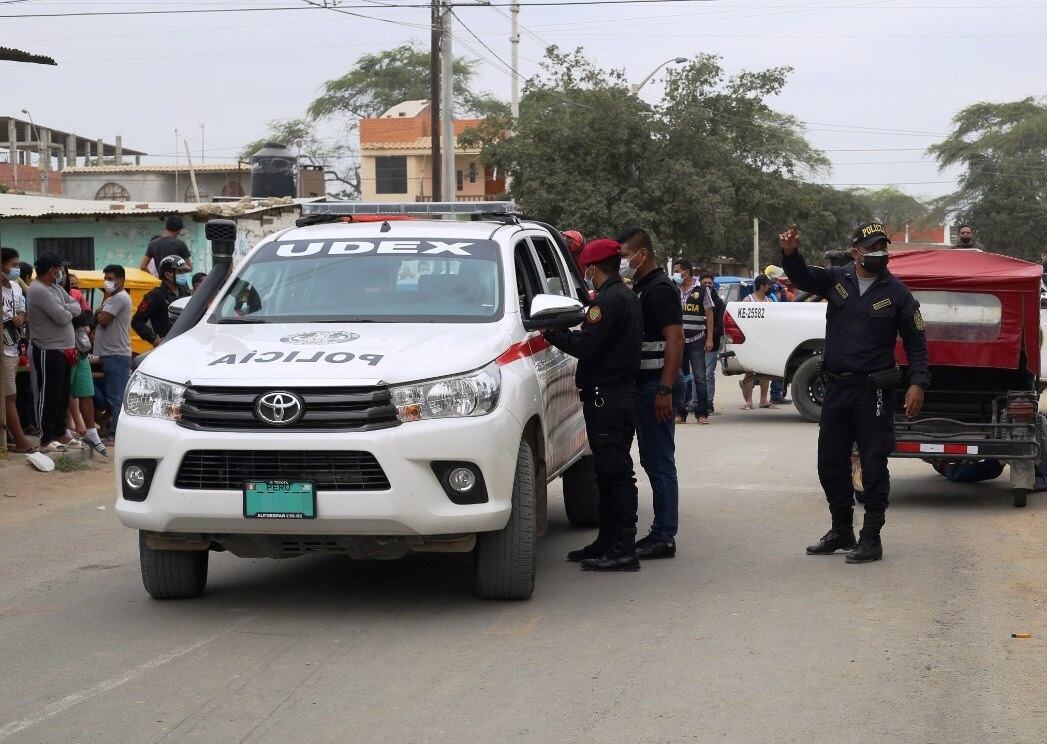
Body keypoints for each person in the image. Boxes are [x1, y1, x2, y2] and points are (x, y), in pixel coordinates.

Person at [781, 222, 929, 563]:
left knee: (873, 464)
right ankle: (841, 529)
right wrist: (790, 253)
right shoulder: (837, 279)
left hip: (873, 392)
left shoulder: (897, 293)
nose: (880, 252)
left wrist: (918, 382)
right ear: (856, 251)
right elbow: (802, 277)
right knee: (830, 462)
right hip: (836, 388)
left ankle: (871, 537)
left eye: (883, 246)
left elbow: (917, 341)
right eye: (873, 246)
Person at [543, 238, 644, 572]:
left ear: (590, 268)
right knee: (607, 472)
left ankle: (623, 548)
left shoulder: (608, 302)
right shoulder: (624, 296)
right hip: (614, 395)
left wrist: (550, 331)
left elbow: (586, 345)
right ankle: (609, 540)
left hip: (609, 397)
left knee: (615, 473)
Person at [618, 226, 686, 559]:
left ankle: (663, 536)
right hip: (644, 384)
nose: (623, 260)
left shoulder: (660, 289)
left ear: (642, 254)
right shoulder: (643, 286)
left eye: (625, 254)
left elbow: (675, 339)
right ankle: (661, 532)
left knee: (660, 463)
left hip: (654, 386)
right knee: (652, 460)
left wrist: (665, 388)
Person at [26, 253, 82, 451]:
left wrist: (67, 309)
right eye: (59, 268)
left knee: (61, 395)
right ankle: (46, 438)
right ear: (51, 269)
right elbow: (61, 317)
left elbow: (77, 307)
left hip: (64, 350)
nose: (61, 272)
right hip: (48, 350)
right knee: (48, 395)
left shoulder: (56, 288)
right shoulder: (39, 290)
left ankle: (60, 432)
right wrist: (68, 310)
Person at [59, 269, 105, 454]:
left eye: (62, 273)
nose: (60, 277)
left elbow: (87, 317)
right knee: (63, 393)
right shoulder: (48, 295)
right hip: (62, 350)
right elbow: (69, 318)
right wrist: (75, 315)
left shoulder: (75, 294)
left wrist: (72, 316)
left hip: (80, 350)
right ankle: (65, 430)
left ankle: (91, 433)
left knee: (85, 392)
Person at [93, 264, 133, 446]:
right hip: (107, 354)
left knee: (115, 398)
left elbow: (102, 319)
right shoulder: (111, 299)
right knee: (103, 395)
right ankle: (109, 428)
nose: (107, 282)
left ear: (121, 280)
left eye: (111, 279)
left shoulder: (119, 298)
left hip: (116, 354)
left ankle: (115, 434)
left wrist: (99, 311)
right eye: (106, 278)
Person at [2, 247, 34, 453]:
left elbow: (25, 308)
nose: (16, 269)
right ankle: (20, 441)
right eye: (13, 265)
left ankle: (11, 437)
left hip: (14, 347)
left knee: (9, 395)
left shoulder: (15, 286)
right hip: (3, 350)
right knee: (9, 396)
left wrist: (21, 317)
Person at [680, 265, 715, 424]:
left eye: (677, 270)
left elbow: (709, 314)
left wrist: (709, 338)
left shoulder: (702, 290)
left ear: (686, 271)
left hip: (697, 339)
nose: (676, 273)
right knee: (680, 378)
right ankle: (680, 413)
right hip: (678, 342)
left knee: (700, 377)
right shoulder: (674, 290)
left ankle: (702, 413)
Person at [132, 255, 191, 347]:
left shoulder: (186, 292)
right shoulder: (155, 295)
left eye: (184, 271)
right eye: (180, 271)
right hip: (166, 346)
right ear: (167, 274)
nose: (183, 274)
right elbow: (137, 322)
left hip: (185, 343)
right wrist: (155, 340)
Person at [739, 275, 777, 410]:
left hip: (764, 341)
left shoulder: (769, 301)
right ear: (761, 286)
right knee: (750, 370)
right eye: (768, 284)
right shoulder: (748, 300)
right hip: (750, 340)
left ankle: (763, 400)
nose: (770, 287)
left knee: (765, 371)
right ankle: (749, 401)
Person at [699, 272, 725, 415]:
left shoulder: (718, 303)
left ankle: (708, 403)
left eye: (710, 283)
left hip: (712, 344)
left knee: (708, 374)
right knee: (695, 375)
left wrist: (708, 337)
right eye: (705, 283)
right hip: (695, 343)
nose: (707, 285)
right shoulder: (695, 298)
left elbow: (719, 326)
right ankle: (695, 403)